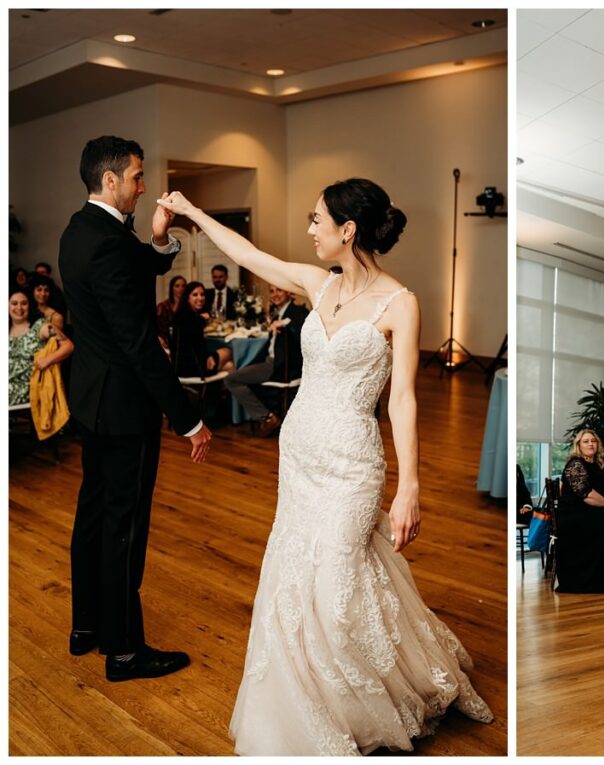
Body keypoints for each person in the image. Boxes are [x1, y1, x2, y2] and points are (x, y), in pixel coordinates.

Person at [157, 179, 492, 755]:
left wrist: (410, 486)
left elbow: (404, 399)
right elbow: (248, 254)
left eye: (316, 220)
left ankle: (378, 699)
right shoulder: (319, 283)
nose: (309, 230)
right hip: (300, 454)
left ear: (348, 229)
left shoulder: (400, 303)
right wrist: (190, 212)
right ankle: (314, 708)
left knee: (338, 586)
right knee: (297, 577)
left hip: (354, 462)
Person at [58, 135, 212, 683]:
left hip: (91, 401)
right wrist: (187, 415)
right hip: (124, 408)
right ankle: (124, 651)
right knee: (124, 527)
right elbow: (137, 343)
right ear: (110, 181)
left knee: (94, 515)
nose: (144, 186)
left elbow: (129, 268)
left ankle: (88, 628)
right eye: (137, 177)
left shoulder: (82, 231)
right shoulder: (104, 241)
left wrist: (161, 240)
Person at [555, 429, 604, 593]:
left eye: (593, 441)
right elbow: (586, 495)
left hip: (590, 511)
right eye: (586, 441)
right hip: (574, 514)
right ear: (578, 445)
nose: (590, 444)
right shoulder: (575, 464)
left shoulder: (596, 465)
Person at [224, 284, 308, 437]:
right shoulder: (276, 314)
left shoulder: (297, 312)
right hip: (270, 362)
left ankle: (268, 418)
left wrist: (283, 323)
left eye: (279, 290)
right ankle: (268, 416)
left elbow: (301, 326)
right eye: (272, 291)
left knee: (231, 380)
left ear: (288, 291)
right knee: (239, 374)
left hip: (280, 366)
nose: (275, 294)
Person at [9, 288, 73, 406]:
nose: (19, 308)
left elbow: (68, 345)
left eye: (24, 303)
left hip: (29, 389)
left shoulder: (40, 327)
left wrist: (47, 361)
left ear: (30, 305)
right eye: (14, 303)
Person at [171, 282, 234, 377]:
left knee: (230, 366)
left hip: (181, 367)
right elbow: (195, 344)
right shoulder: (189, 318)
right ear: (187, 298)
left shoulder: (183, 314)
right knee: (228, 351)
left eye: (202, 294)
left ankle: (211, 391)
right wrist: (202, 320)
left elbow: (194, 343)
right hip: (192, 367)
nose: (200, 298)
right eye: (195, 295)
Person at [156, 274, 186, 349]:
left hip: (183, 343)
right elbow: (157, 327)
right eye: (177, 286)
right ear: (172, 288)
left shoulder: (187, 306)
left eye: (183, 286)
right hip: (165, 343)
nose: (180, 289)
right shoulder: (162, 306)